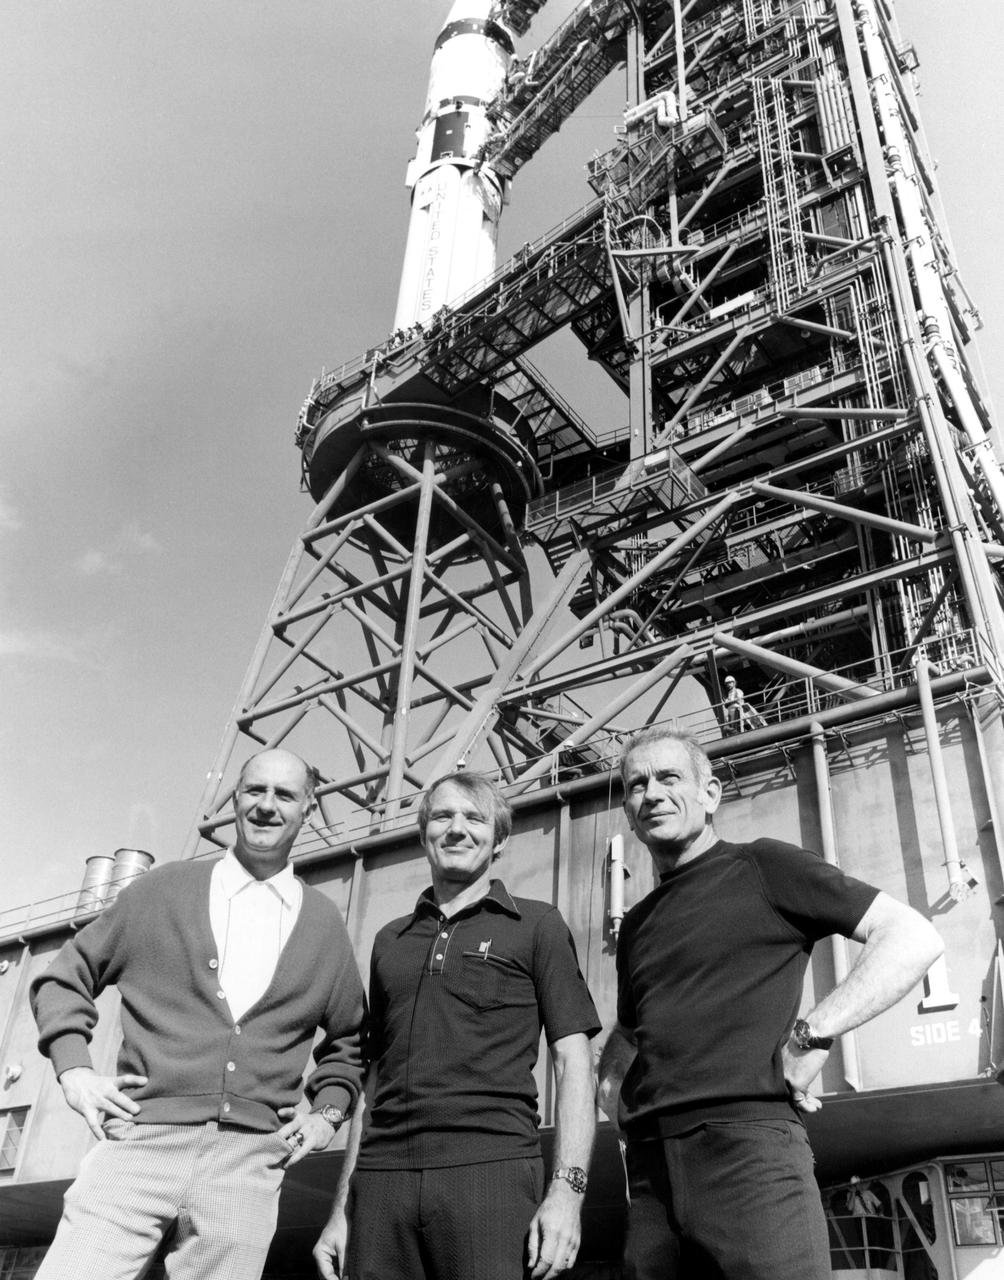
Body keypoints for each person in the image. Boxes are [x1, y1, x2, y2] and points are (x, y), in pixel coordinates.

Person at [597, 725, 944, 1280]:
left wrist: (814, 1033)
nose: (652, 794)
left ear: (710, 794)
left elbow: (912, 936)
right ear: (630, 812)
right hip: (651, 1174)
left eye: (668, 778)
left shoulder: (764, 866)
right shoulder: (636, 925)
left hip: (748, 1157)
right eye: (637, 785)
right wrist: (610, 1081)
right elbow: (630, 1028)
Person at [30, 748, 367, 1280]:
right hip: (140, 1142)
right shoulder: (163, 890)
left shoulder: (324, 924)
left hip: (250, 1164)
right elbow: (62, 977)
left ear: (309, 807)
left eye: (284, 795)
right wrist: (75, 1073)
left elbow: (351, 1041)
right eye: (255, 790)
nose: (266, 806)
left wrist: (326, 1115)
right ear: (235, 799)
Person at [314, 771, 600, 1280]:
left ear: (500, 842)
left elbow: (572, 1060)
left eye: (475, 818)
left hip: (490, 1171)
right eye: (443, 816)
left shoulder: (538, 925)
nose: (457, 828)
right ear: (424, 832)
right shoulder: (389, 940)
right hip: (382, 1184)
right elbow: (372, 1078)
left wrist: (568, 1190)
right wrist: (342, 1208)